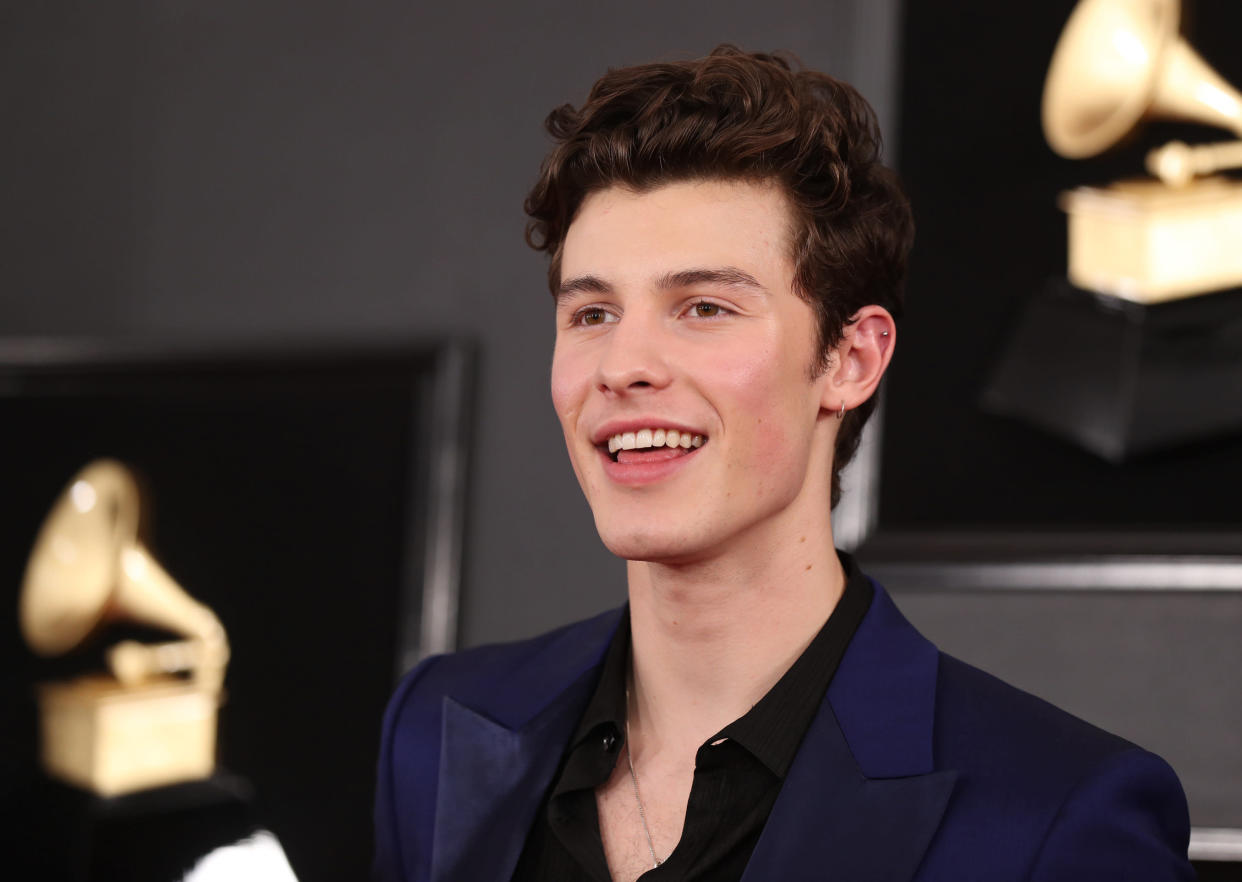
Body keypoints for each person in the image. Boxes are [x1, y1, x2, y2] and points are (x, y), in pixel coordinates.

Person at [373, 46, 1193, 881]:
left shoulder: (1058, 814)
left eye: (703, 307)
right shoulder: (440, 730)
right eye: (592, 312)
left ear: (851, 360)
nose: (622, 366)